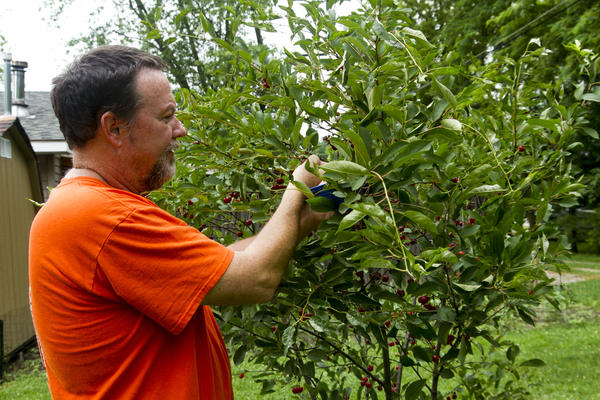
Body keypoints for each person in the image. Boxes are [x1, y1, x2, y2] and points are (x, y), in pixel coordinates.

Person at [29, 45, 330, 400]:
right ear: (114, 128)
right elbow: (256, 279)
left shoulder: (82, 206)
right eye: (166, 116)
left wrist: (310, 214)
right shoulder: (104, 218)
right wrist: (297, 187)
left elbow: (222, 266)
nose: (180, 129)